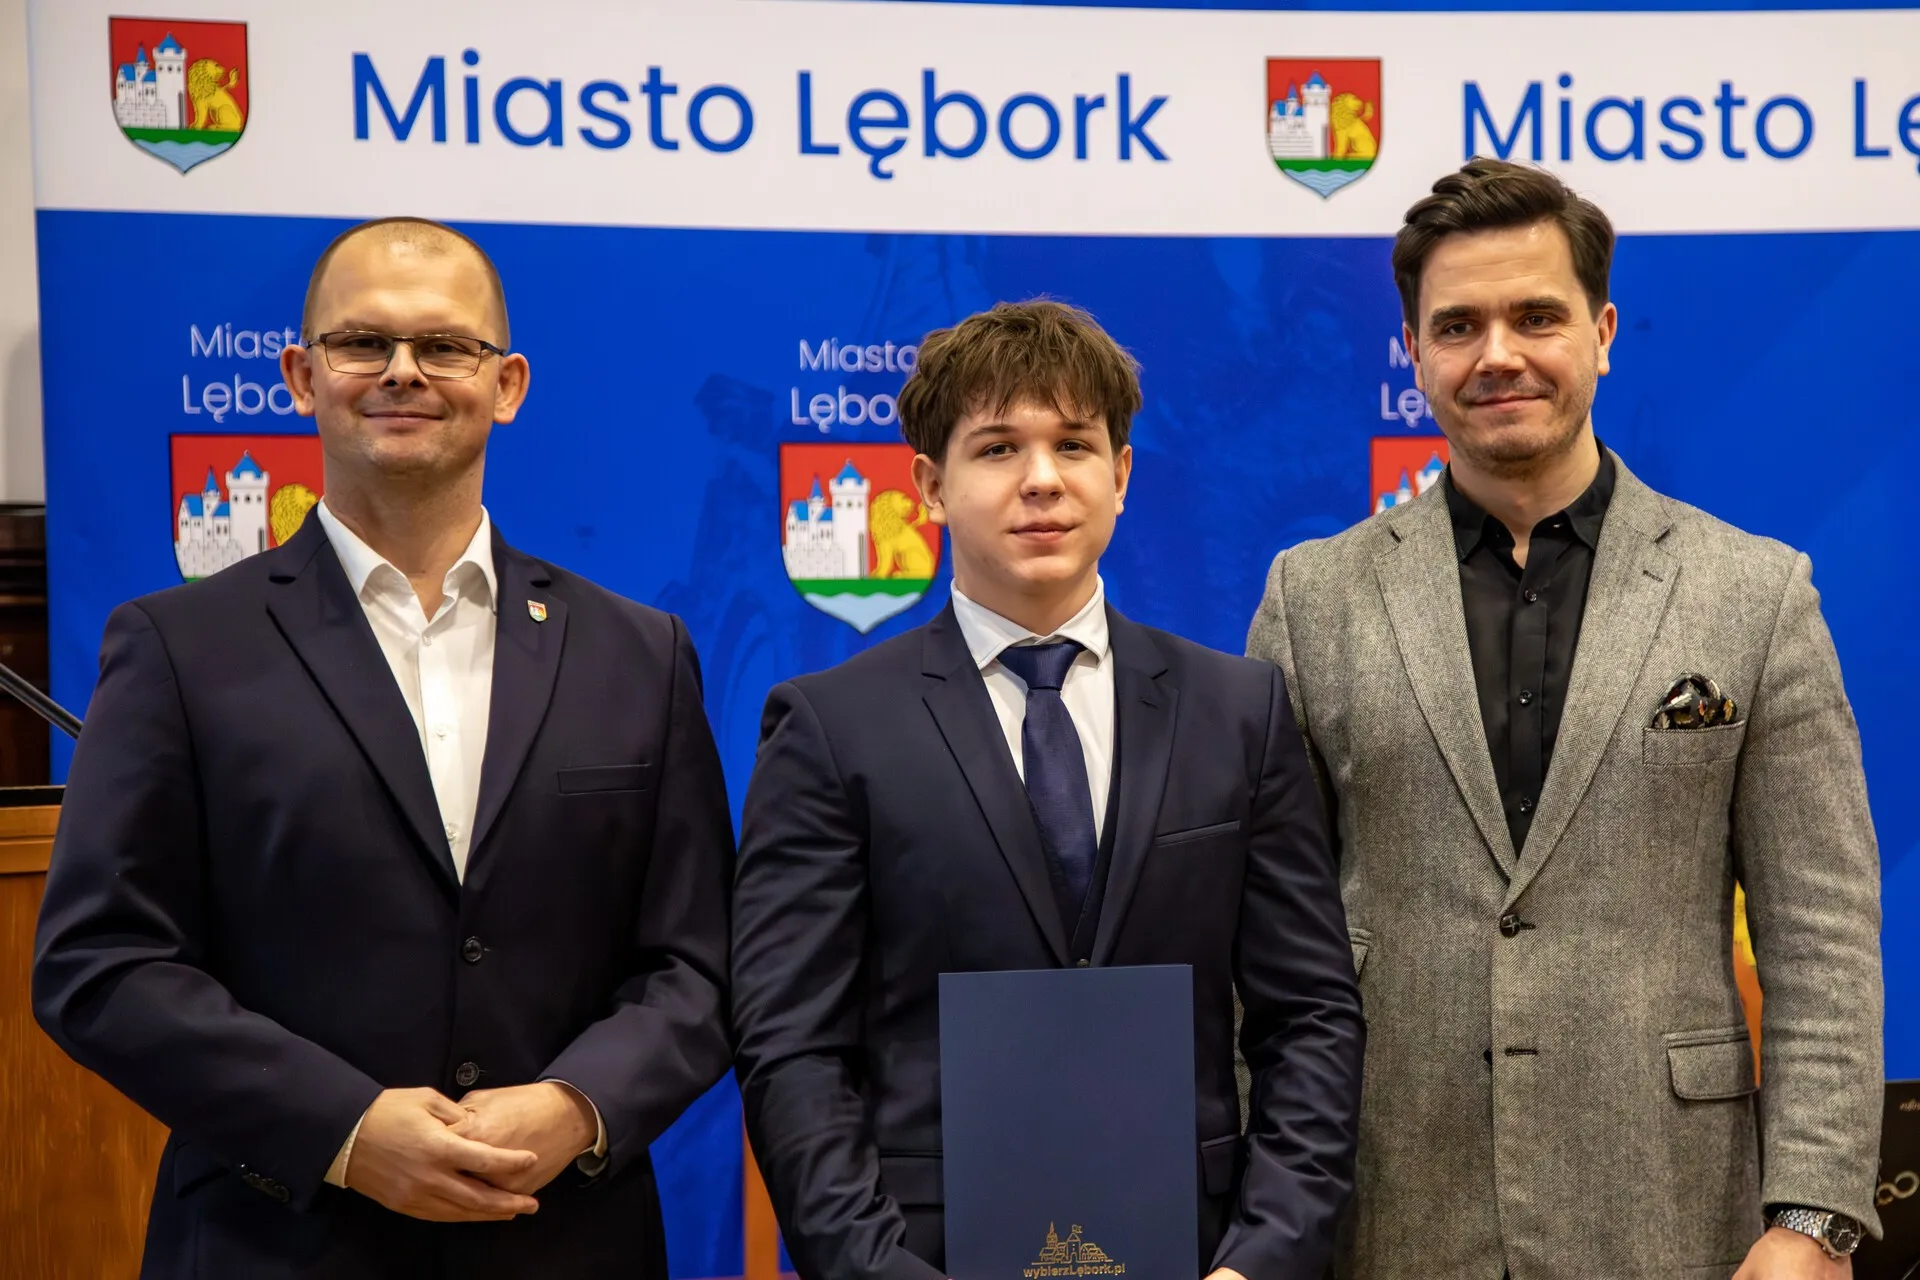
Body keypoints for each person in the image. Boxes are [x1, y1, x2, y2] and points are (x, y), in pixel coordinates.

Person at [33, 217, 734, 1278]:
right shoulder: (178, 648)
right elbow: (100, 962)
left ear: (507, 384)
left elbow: (698, 962)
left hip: (565, 1241)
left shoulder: (641, 652)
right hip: (278, 1245)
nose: (403, 371)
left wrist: (578, 1103)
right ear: (301, 376)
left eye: (445, 345)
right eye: (364, 342)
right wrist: (346, 1128)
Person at [1246, 158, 1884, 1279]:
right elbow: (1264, 944)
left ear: (1602, 332)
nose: (1498, 353)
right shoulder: (1312, 599)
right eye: (1458, 325)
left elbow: (1822, 932)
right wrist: (1262, 1220)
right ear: (1414, 353)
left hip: (1672, 1211)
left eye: (1536, 316)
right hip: (1388, 1212)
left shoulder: (1755, 593)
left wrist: (1815, 1214)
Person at [732, 299, 1363, 1280]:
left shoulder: (1239, 710)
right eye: (998, 448)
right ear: (930, 486)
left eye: (1074, 444)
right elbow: (792, 1045)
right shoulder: (831, 728)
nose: (1041, 478)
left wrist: (1262, 1259)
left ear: (1122, 474)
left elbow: (1309, 1014)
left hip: (1203, 1257)